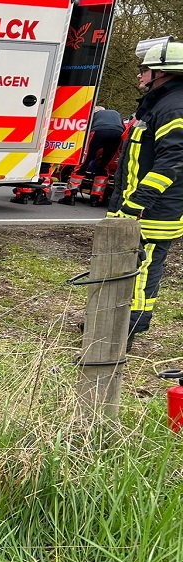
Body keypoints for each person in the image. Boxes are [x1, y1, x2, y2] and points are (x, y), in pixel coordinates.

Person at [108, 36, 183, 346]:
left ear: (162, 73)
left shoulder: (173, 107)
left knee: (142, 271)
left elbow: (172, 162)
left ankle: (125, 330)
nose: (139, 74)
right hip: (139, 208)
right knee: (125, 266)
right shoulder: (161, 103)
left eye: (144, 69)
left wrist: (137, 203)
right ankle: (110, 322)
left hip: (151, 212)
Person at [82, 105, 125, 175]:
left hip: (98, 131)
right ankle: (99, 182)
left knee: (85, 159)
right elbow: (124, 129)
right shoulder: (116, 113)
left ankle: (76, 181)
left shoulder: (94, 115)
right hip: (118, 133)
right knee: (105, 164)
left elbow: (86, 131)